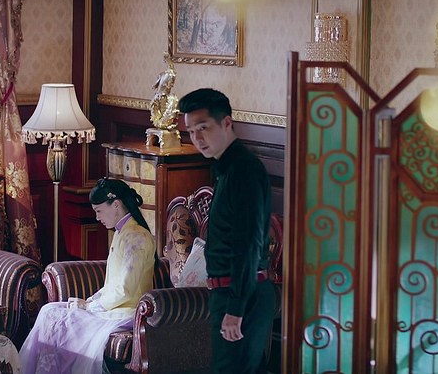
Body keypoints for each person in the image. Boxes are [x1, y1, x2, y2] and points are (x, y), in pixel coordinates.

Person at [178, 88, 275, 374]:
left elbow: (248, 244)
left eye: (203, 128)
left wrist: (236, 308)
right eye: (191, 131)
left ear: (227, 123)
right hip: (229, 292)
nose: (197, 138)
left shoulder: (244, 170)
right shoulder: (225, 168)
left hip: (244, 294)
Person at [19, 178, 156, 374]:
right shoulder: (122, 233)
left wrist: (90, 307)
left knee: (63, 319)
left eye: (99, 211)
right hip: (114, 307)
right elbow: (112, 285)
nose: (97, 217)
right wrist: (89, 301)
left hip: (127, 312)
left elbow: (124, 290)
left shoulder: (137, 237)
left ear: (116, 205)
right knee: (49, 310)